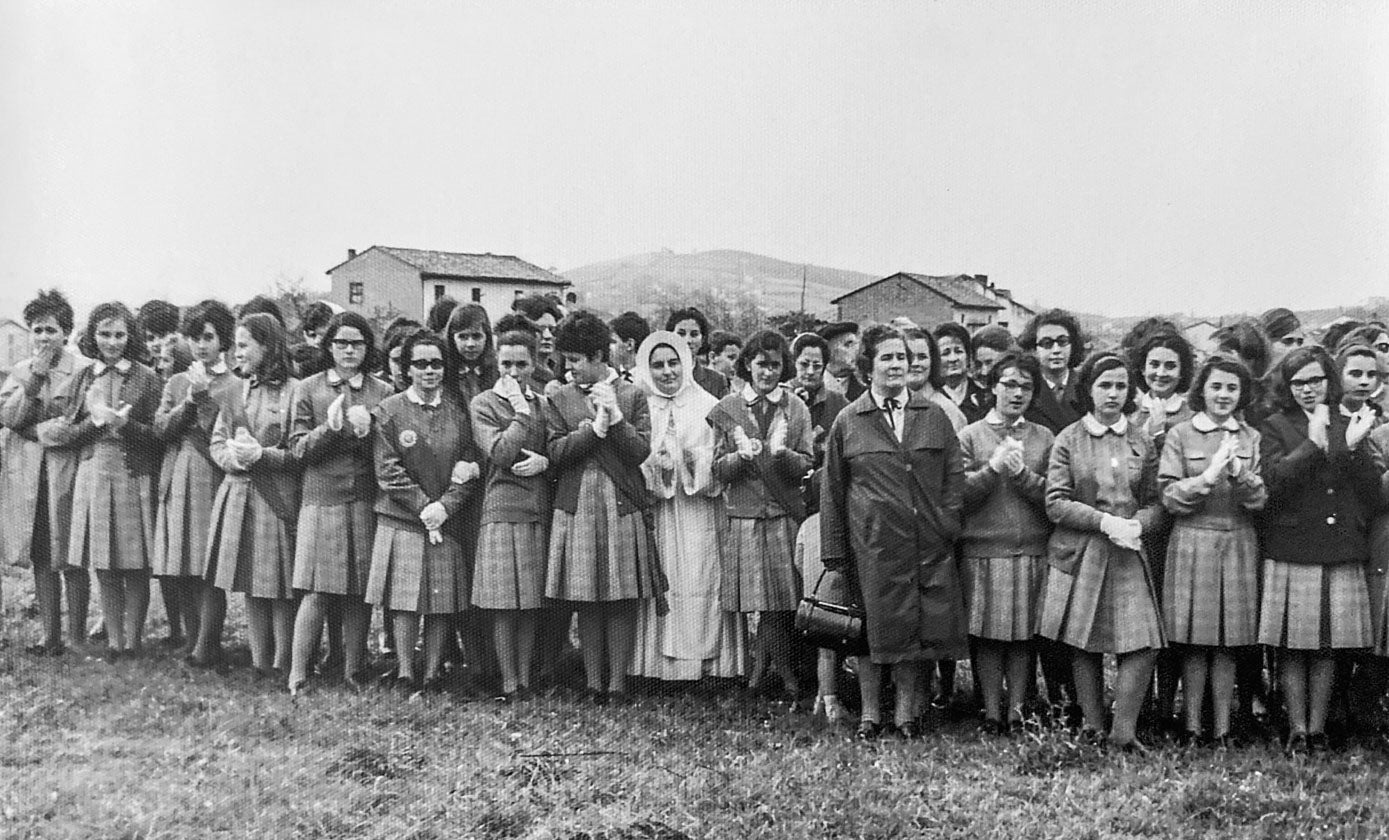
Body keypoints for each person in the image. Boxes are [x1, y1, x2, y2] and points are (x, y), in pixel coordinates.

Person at [821, 324, 967, 739]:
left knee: (916, 632)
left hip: (926, 547)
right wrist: (835, 553)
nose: (897, 364)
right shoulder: (849, 421)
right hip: (870, 548)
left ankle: (905, 715)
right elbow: (832, 491)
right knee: (868, 632)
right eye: (887, 357)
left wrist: (947, 524)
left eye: (902, 357)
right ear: (868, 366)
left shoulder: (933, 416)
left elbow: (954, 477)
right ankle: (870, 715)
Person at [1036, 352, 1165, 751]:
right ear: (1088, 389)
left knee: (1142, 642)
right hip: (1084, 550)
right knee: (1083, 641)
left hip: (1129, 550)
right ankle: (1093, 725)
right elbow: (1055, 501)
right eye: (1104, 385)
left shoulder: (1141, 440)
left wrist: (1138, 523)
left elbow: (1157, 500)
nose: (1112, 393)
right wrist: (1102, 522)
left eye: (1120, 386)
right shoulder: (1069, 439)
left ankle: (1123, 731)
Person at [1258, 345, 1379, 752]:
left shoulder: (1350, 422)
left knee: (1327, 645)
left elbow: (1370, 494)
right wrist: (1312, 444)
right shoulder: (1274, 425)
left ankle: (1318, 726)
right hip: (1293, 545)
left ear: (1329, 379)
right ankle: (1296, 727)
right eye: (1299, 382)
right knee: (1294, 644)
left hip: (1340, 544)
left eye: (1316, 380)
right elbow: (1274, 484)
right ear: (1287, 387)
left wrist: (1351, 443)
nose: (1308, 389)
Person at [544, 312, 660, 703]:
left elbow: (641, 451)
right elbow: (555, 452)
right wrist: (592, 431)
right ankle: (594, 683)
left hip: (621, 503)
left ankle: (618, 684)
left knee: (621, 597)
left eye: (575, 359)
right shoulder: (558, 397)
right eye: (565, 359)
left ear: (597, 356)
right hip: (576, 505)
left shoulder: (632, 394)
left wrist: (616, 417)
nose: (568, 367)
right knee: (587, 598)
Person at [40, 301, 164, 660]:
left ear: (130, 336)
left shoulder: (146, 376)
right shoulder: (83, 377)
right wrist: (91, 424)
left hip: (132, 473)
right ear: (93, 336)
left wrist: (125, 425)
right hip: (93, 473)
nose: (112, 342)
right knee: (104, 561)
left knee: (135, 561)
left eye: (119, 334)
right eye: (105, 334)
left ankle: (133, 640)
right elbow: (67, 430)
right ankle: (113, 640)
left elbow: (157, 435)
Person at [1159, 356, 1267, 745]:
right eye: (1216, 386)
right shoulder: (1180, 434)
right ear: (1201, 389)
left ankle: (1222, 728)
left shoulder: (1250, 438)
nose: (1223, 395)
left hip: (1238, 541)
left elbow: (1260, 500)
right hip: (1193, 540)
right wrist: (1204, 478)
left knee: (1228, 641)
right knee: (1194, 639)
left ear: (1241, 394)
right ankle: (1191, 725)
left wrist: (1239, 472)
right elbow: (1169, 496)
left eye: (1232, 388)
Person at [367, 330, 482, 691]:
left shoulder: (458, 411)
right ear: (407, 369)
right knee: (403, 601)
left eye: (436, 363)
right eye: (421, 364)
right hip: (402, 518)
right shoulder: (389, 410)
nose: (429, 370)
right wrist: (423, 506)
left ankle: (432, 672)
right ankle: (404, 670)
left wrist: (446, 506)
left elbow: (469, 462)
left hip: (446, 520)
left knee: (440, 601)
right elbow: (387, 470)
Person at [629, 330, 747, 682]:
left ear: (687, 363)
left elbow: (723, 456)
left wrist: (688, 460)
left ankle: (707, 662)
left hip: (700, 510)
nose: (667, 372)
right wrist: (655, 463)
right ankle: (659, 664)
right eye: (658, 365)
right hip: (661, 510)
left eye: (673, 363)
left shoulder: (709, 404)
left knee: (700, 577)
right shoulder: (641, 406)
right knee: (663, 578)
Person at [285, 312, 393, 695]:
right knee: (317, 589)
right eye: (342, 343)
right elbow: (297, 450)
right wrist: (329, 429)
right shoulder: (308, 388)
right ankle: (299, 672)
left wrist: (369, 434)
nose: (349, 350)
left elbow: (389, 450)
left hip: (363, 497)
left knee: (357, 589)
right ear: (328, 347)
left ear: (368, 348)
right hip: (321, 498)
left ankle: (352, 668)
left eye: (358, 343)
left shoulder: (382, 391)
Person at [191, 313, 301, 676]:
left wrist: (264, 457)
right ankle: (259, 661)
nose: (236, 353)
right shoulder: (235, 390)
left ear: (267, 345)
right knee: (253, 581)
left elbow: (299, 450)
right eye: (236, 345)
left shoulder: (294, 390)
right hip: (239, 493)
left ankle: (284, 659)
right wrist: (234, 460)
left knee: (279, 584)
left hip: (277, 496)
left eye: (243, 345)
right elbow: (217, 440)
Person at [709, 329, 813, 702]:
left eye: (775, 364)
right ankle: (775, 672)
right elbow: (717, 468)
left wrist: (782, 453)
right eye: (760, 364)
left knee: (779, 602)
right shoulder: (729, 407)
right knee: (762, 602)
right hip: (746, 517)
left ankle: (763, 671)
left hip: (783, 514)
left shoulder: (796, 408)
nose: (767, 372)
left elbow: (807, 465)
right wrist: (741, 457)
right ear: (748, 365)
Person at [957, 352, 1054, 733]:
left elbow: (1054, 496)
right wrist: (992, 470)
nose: (1017, 393)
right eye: (1009, 384)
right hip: (983, 549)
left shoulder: (1043, 437)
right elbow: (958, 494)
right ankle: (991, 710)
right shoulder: (970, 435)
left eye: (1026, 386)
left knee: (1022, 636)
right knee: (987, 636)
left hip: (1029, 546)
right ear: (992, 387)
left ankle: (1017, 710)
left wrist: (1023, 476)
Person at [0, 290, 91, 656]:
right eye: (37, 330)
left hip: (68, 471)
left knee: (71, 553)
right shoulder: (20, 371)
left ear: (66, 332)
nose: (43, 338)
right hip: (30, 476)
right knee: (41, 554)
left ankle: (78, 636)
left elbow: (89, 421)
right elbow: (10, 418)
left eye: (51, 330)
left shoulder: (82, 370)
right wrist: (35, 378)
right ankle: (50, 636)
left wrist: (55, 432)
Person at [152, 300, 240, 655]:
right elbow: (160, 430)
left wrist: (204, 400)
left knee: (208, 566)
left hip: (212, 478)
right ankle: (193, 640)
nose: (201, 345)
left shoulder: (235, 384)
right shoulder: (176, 381)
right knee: (182, 565)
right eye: (194, 337)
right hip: (177, 477)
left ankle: (208, 644)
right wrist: (189, 400)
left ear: (224, 340)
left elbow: (230, 434)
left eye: (208, 337)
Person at [470, 326, 552, 700]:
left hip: (534, 506)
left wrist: (545, 461)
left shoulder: (544, 402)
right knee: (504, 601)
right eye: (506, 364)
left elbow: (555, 445)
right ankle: (508, 679)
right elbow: (500, 454)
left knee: (530, 600)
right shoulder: (484, 403)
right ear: (497, 364)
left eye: (522, 364)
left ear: (534, 363)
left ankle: (526, 675)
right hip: (501, 508)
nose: (514, 372)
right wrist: (519, 414)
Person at [788, 331, 852, 720]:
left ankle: (832, 688)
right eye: (803, 364)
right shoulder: (786, 402)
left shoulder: (840, 405)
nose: (810, 371)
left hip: (827, 512)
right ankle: (806, 680)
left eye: (817, 364)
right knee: (801, 602)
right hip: (794, 510)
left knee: (830, 603)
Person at [1019, 309, 1086, 435]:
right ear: (1033, 349)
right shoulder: (1026, 390)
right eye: (1047, 343)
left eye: (1062, 342)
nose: (1056, 350)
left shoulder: (1087, 387)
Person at [903, 328, 969, 433]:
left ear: (932, 361)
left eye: (922, 357)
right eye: (908, 357)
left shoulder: (947, 411)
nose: (915, 363)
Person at [667, 307, 729, 399]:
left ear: (703, 340)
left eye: (694, 334)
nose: (687, 340)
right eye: (681, 333)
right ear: (669, 336)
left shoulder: (717, 380)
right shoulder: (658, 375)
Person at [445, 303, 499, 408]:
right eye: (463, 337)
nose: (470, 344)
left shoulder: (497, 373)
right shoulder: (445, 374)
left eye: (476, 336)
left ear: (487, 337)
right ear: (452, 338)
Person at [934, 322, 989, 423]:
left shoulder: (984, 397)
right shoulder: (931, 397)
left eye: (958, 351)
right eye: (945, 353)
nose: (953, 358)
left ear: (968, 357)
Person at [514, 294, 564, 379]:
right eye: (538, 330)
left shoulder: (560, 370)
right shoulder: (520, 375)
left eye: (552, 330)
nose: (548, 336)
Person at [817, 321, 865, 401]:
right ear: (829, 351)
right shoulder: (808, 390)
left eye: (856, 344)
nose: (857, 350)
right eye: (848, 344)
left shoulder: (866, 394)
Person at [609, 311, 651, 381]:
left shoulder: (647, 380)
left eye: (613, 342)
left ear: (630, 345)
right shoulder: (617, 376)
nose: (608, 347)